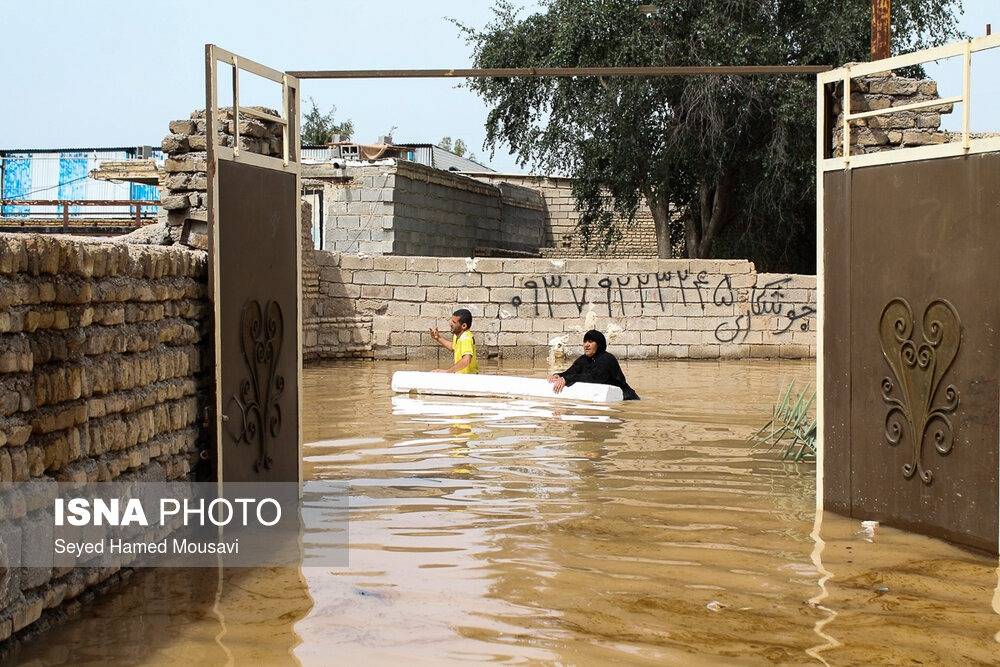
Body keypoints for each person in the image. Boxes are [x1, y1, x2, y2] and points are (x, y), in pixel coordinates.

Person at [548, 329, 639, 400]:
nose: (586, 345)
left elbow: (595, 378)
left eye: (590, 341)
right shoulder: (583, 359)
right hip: (606, 398)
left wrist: (567, 379)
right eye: (585, 341)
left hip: (626, 398)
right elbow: (571, 372)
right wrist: (558, 375)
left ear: (599, 344)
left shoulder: (607, 359)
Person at [429, 308, 479, 374]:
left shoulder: (466, 339)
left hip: (468, 379)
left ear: (463, 326)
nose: (450, 324)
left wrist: (447, 371)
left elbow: (466, 360)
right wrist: (438, 338)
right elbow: (453, 347)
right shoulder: (458, 335)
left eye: (454, 322)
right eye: (451, 321)